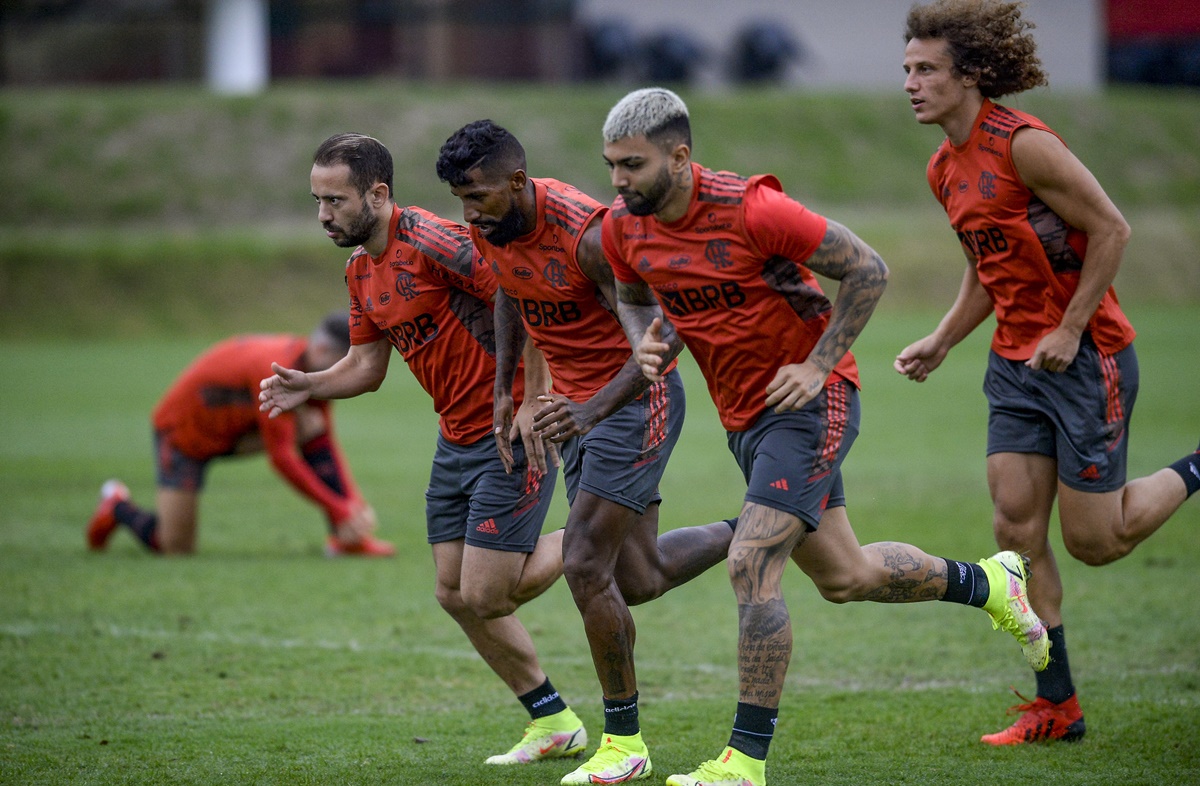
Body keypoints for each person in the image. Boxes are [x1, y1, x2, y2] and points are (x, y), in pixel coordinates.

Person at [600, 87, 1051, 786]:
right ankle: (991, 581)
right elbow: (632, 298)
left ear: (680, 156)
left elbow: (869, 269)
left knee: (751, 563)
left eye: (632, 165)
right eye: (611, 166)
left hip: (814, 404)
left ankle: (743, 761)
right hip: (746, 418)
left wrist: (817, 364)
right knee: (848, 576)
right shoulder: (625, 229)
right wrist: (645, 347)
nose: (618, 181)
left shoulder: (755, 210)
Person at [896, 0, 1200, 746]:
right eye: (907, 69)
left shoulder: (1024, 146)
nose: (911, 83)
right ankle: (1057, 706)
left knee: (1097, 540)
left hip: (1085, 358)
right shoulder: (943, 167)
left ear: (969, 75)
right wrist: (941, 340)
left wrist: (1069, 329)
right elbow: (984, 270)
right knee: (1014, 530)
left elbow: (1112, 229)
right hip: (1014, 365)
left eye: (926, 70)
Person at [258, 132, 588, 766]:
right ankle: (554, 721)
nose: (323, 215)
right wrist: (312, 386)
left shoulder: (434, 240)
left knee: (488, 593)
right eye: (317, 200)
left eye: (335, 200)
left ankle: (597, 533)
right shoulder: (359, 271)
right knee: (453, 592)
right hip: (455, 439)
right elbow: (365, 366)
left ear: (378, 195)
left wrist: (531, 396)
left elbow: (523, 293)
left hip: (507, 429)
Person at [436, 119, 735, 785]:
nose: (469, 212)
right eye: (460, 199)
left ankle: (623, 741)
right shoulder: (496, 231)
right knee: (639, 577)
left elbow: (667, 331)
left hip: (635, 402)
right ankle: (756, 531)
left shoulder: (590, 236)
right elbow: (513, 293)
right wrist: (506, 393)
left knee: (583, 564)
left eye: (479, 196)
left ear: (517, 181)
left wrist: (592, 410)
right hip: (579, 409)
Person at [86, 311, 393, 556]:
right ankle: (116, 506)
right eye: (347, 362)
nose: (349, 372)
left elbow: (326, 440)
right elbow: (282, 458)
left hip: (235, 434)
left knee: (309, 424)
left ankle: (346, 538)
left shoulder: (314, 374)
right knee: (175, 548)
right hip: (184, 436)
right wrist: (339, 507)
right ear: (322, 348)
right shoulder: (280, 369)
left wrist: (352, 503)